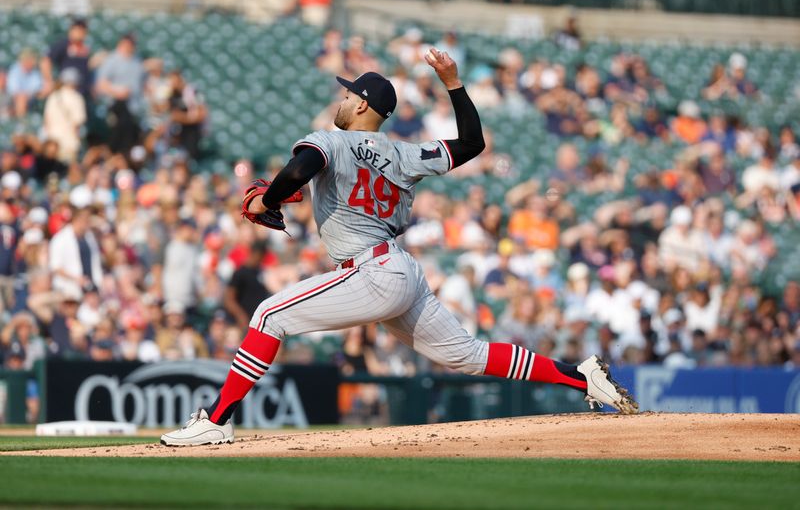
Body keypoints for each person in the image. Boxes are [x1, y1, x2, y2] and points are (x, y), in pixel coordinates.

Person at [161, 48, 637, 446]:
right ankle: (582, 376)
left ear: (364, 105)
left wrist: (268, 197)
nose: (342, 98)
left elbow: (302, 167)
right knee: (467, 355)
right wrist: (453, 83)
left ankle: (216, 422)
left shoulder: (332, 139)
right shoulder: (406, 153)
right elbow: (471, 144)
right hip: (400, 272)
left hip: (371, 271)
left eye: (348, 94)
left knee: (268, 316)